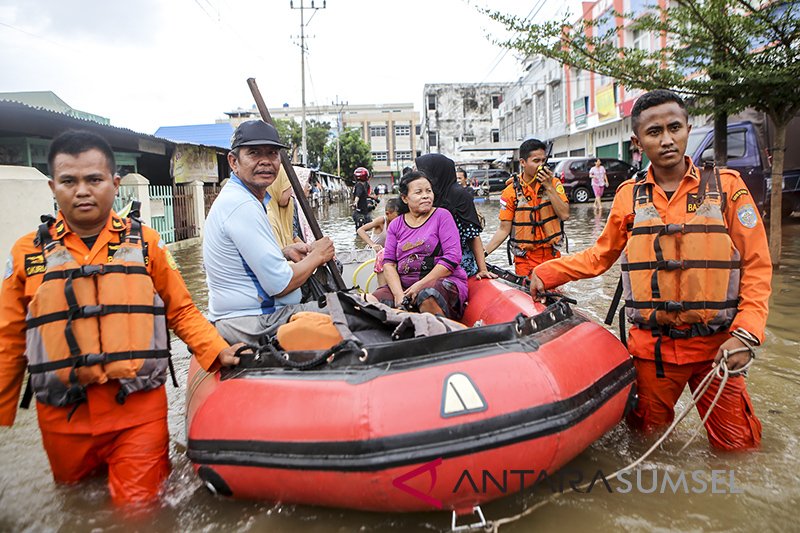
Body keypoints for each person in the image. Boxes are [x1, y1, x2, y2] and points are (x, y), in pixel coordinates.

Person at [0, 130, 242, 506]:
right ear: (52, 186)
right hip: (62, 418)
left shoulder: (147, 244)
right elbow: (9, 337)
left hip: (137, 413)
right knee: (75, 507)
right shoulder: (25, 254)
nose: (82, 191)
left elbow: (181, 309)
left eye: (93, 180)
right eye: (69, 181)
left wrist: (217, 351)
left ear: (114, 184)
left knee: (140, 512)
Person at [529, 89, 771, 450]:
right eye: (654, 132)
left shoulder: (728, 189)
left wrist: (747, 334)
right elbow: (600, 256)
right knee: (645, 441)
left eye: (675, 127)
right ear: (637, 142)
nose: (667, 139)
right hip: (653, 351)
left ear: (688, 128)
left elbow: (756, 264)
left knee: (738, 448)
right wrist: (546, 273)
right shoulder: (628, 195)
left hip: (719, 348)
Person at [203, 120, 335, 345]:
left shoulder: (245, 198)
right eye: (254, 153)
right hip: (257, 322)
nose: (265, 161)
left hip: (249, 315)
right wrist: (318, 256)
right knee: (353, 312)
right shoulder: (242, 205)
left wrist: (283, 252)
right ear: (234, 162)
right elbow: (280, 285)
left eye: (272, 153)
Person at [371, 171, 468, 320]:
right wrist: (398, 296)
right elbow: (389, 263)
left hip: (440, 282)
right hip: (404, 286)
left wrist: (420, 285)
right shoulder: (395, 225)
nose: (426, 195)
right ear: (405, 198)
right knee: (373, 301)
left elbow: (452, 257)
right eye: (418, 192)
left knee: (428, 295)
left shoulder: (442, 216)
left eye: (429, 191)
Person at [483, 138, 570, 276]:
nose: (541, 166)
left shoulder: (554, 184)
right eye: (536, 161)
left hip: (552, 256)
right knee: (530, 295)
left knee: (556, 295)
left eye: (543, 161)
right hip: (526, 260)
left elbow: (565, 214)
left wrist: (548, 186)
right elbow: (503, 229)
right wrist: (483, 254)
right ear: (523, 162)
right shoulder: (510, 192)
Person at [415, 154, 493, 279]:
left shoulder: (459, 196)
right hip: (429, 259)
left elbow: (472, 235)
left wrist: (482, 269)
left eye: (422, 172)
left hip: (457, 262)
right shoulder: (427, 196)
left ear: (435, 173)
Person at [357, 197, 400, 286]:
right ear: (388, 214)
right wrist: (373, 245)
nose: (400, 219)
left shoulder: (400, 223)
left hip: (387, 254)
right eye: (397, 216)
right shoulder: (381, 221)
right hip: (373, 253)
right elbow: (360, 230)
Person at [265, 166, 296, 248]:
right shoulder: (268, 218)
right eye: (287, 187)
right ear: (277, 186)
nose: (290, 192)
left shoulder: (276, 213)